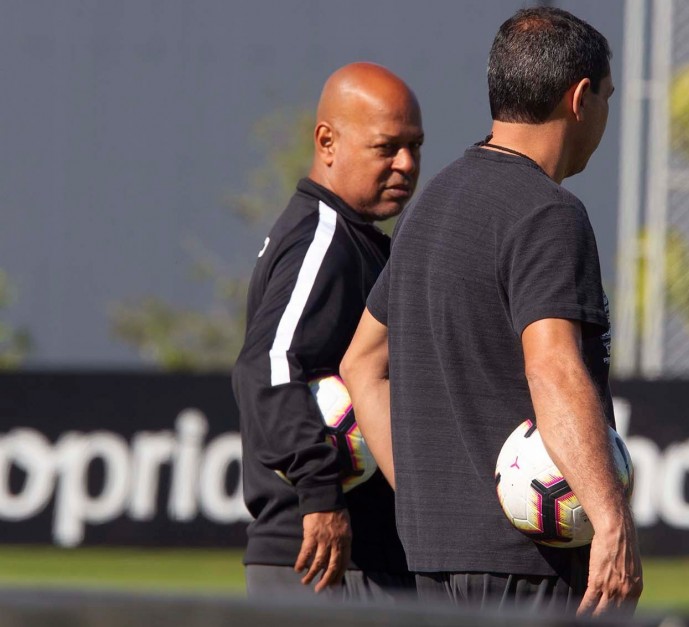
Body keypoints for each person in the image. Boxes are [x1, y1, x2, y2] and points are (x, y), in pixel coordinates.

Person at [341, 6, 642, 617]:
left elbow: (360, 364)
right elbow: (553, 367)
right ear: (580, 97)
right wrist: (611, 520)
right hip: (529, 564)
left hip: (432, 559)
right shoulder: (548, 212)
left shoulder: (431, 206)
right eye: (609, 97)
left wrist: (430, 495)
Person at [232, 62, 424, 599]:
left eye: (416, 146)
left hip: (359, 560)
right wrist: (319, 495)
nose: (406, 164)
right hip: (324, 560)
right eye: (387, 147)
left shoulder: (357, 241)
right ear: (327, 141)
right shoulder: (322, 240)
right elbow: (265, 364)